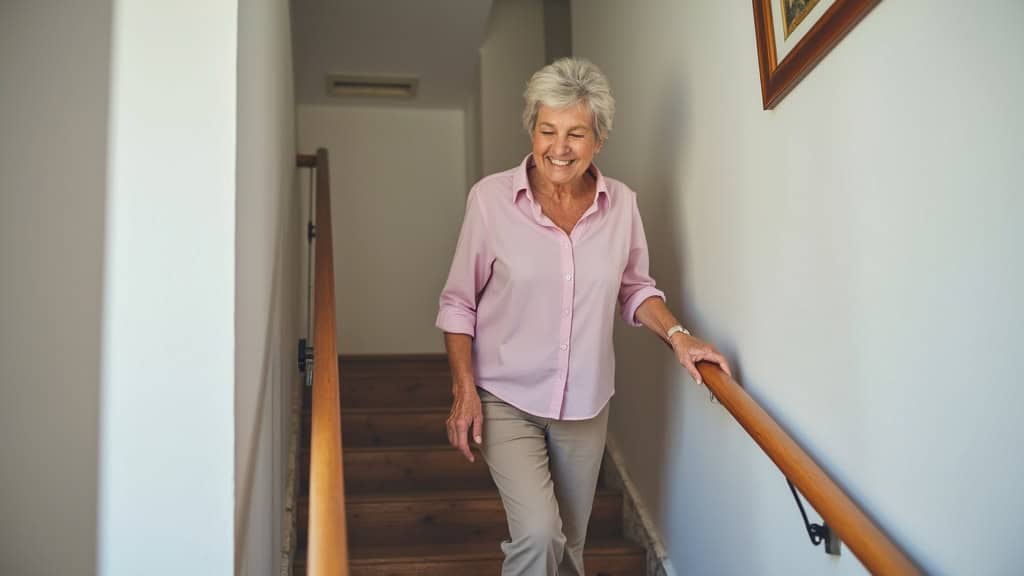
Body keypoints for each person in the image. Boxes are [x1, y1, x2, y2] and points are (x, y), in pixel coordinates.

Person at [436, 57, 732, 576]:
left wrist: (679, 336)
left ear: (599, 140)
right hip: (505, 397)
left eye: (576, 133)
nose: (559, 147)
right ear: (532, 130)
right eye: (547, 130)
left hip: (586, 402)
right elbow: (459, 303)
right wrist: (464, 391)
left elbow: (635, 289)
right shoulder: (490, 201)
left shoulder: (622, 205)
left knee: (570, 547)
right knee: (538, 535)